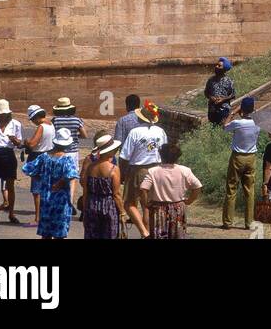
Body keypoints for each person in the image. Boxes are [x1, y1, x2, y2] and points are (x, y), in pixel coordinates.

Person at [119, 100, 167, 238]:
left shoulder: (135, 132)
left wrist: (122, 172)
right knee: (148, 204)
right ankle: (149, 232)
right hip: (156, 168)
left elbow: (125, 156)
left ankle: (143, 231)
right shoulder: (161, 132)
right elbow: (164, 151)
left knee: (129, 203)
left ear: (141, 117)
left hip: (138, 169)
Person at [139, 143, 201, 239]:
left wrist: (146, 203)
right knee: (177, 235)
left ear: (161, 156)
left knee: (158, 235)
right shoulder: (185, 170)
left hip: (158, 209)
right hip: (178, 209)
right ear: (177, 157)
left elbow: (143, 189)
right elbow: (197, 186)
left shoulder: (153, 171)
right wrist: (190, 200)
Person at [221, 96, 260, 230]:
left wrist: (232, 113)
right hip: (251, 158)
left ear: (242, 109)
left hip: (237, 157)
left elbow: (224, 126)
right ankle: (249, 222)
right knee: (249, 191)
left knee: (232, 189)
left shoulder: (238, 123)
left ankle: (228, 222)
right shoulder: (257, 123)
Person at [32, 129, 78, 240]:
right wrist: (60, 183)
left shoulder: (44, 157)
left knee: (46, 233)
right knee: (59, 233)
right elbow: (71, 175)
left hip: (46, 197)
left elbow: (29, 169)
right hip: (61, 199)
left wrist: (41, 178)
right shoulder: (67, 159)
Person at [81, 134, 125, 240]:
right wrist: (122, 212)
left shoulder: (90, 167)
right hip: (108, 206)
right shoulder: (114, 169)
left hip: (92, 204)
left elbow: (85, 191)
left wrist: (84, 209)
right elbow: (116, 194)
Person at [24, 106, 53, 226]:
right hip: (49, 156)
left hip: (38, 158)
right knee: (47, 188)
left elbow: (32, 144)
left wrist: (26, 142)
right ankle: (46, 216)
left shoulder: (41, 127)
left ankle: (38, 218)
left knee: (37, 190)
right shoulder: (51, 125)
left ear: (35, 117)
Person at [204, 58, 236, 125]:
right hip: (212, 110)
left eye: (219, 66)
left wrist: (223, 99)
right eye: (216, 65)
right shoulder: (211, 80)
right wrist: (211, 97)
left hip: (224, 110)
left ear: (224, 69)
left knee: (223, 127)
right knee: (213, 127)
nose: (216, 67)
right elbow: (206, 92)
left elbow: (233, 95)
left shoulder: (228, 81)